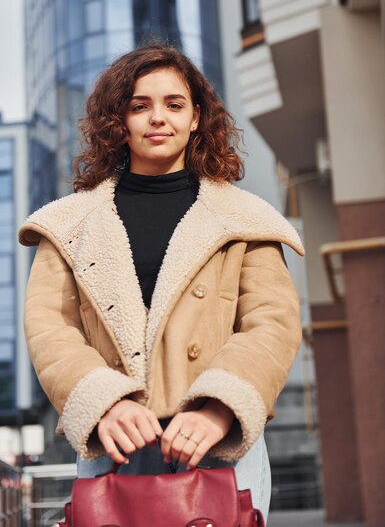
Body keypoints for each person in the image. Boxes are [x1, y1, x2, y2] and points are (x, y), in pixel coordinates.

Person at [19, 42, 304, 522]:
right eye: (139, 106)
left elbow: (272, 324)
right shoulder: (69, 225)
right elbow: (50, 328)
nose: (157, 118)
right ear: (119, 120)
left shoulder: (244, 219)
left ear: (196, 118)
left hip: (221, 440)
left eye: (174, 104)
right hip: (113, 441)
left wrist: (218, 408)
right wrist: (104, 402)